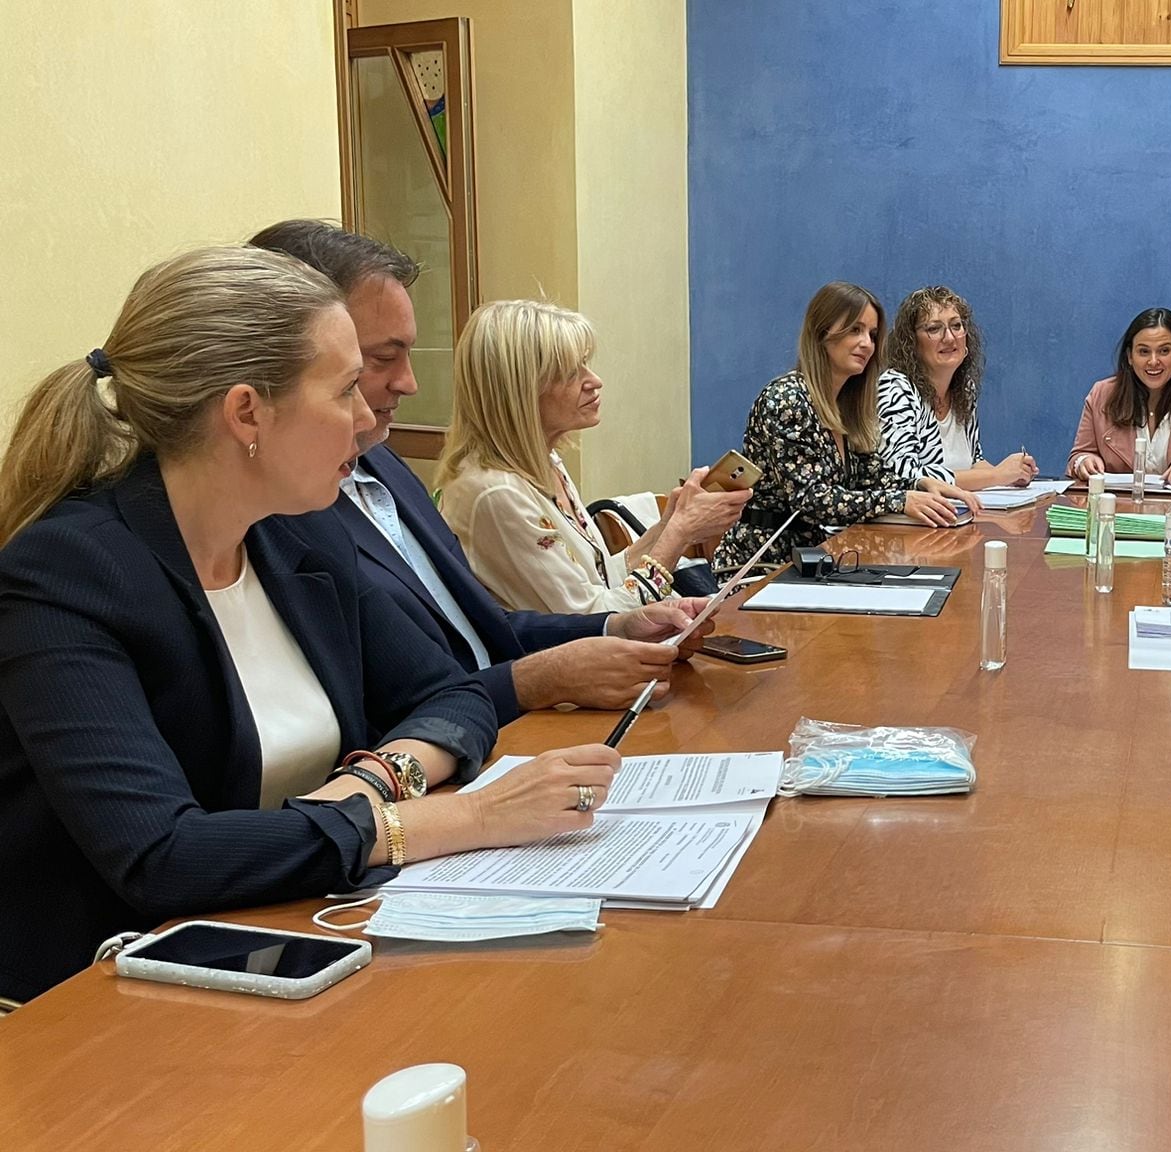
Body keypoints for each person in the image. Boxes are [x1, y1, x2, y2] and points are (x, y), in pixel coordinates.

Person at [0, 247, 622, 1004]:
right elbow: (163, 857)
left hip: (306, 939)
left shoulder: (300, 533)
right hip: (110, 995)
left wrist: (374, 779)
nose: (366, 421)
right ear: (246, 413)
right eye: (343, 391)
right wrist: (457, 817)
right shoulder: (68, 571)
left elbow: (456, 696)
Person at [250, 221, 717, 726]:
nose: (409, 383)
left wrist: (617, 627)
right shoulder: (287, 506)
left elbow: (480, 627)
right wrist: (677, 535)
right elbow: (392, 698)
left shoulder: (386, 468)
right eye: (379, 359)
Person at [438, 299, 747, 614]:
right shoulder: (496, 492)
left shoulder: (545, 462)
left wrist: (669, 524)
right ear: (519, 389)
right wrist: (681, 534)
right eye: (572, 372)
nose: (595, 381)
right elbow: (596, 620)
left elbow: (599, 580)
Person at [716, 282, 977, 568]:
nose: (867, 343)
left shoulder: (847, 406)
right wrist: (901, 500)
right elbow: (813, 500)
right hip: (764, 567)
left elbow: (871, 479)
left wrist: (920, 483)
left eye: (873, 334)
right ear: (822, 332)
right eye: (855, 330)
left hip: (822, 560)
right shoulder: (788, 399)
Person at [875, 285, 1036, 490]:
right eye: (934, 328)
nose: (950, 338)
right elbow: (902, 475)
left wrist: (1013, 474)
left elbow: (974, 462)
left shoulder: (964, 389)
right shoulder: (896, 388)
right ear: (911, 342)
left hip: (959, 516)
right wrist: (998, 475)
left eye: (956, 326)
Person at [1067, 307, 1171, 484]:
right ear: (1130, 356)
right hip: (1117, 506)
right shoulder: (1101, 394)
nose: (1153, 361)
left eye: (1164, 351)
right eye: (1144, 352)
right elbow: (1079, 455)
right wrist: (1085, 462)